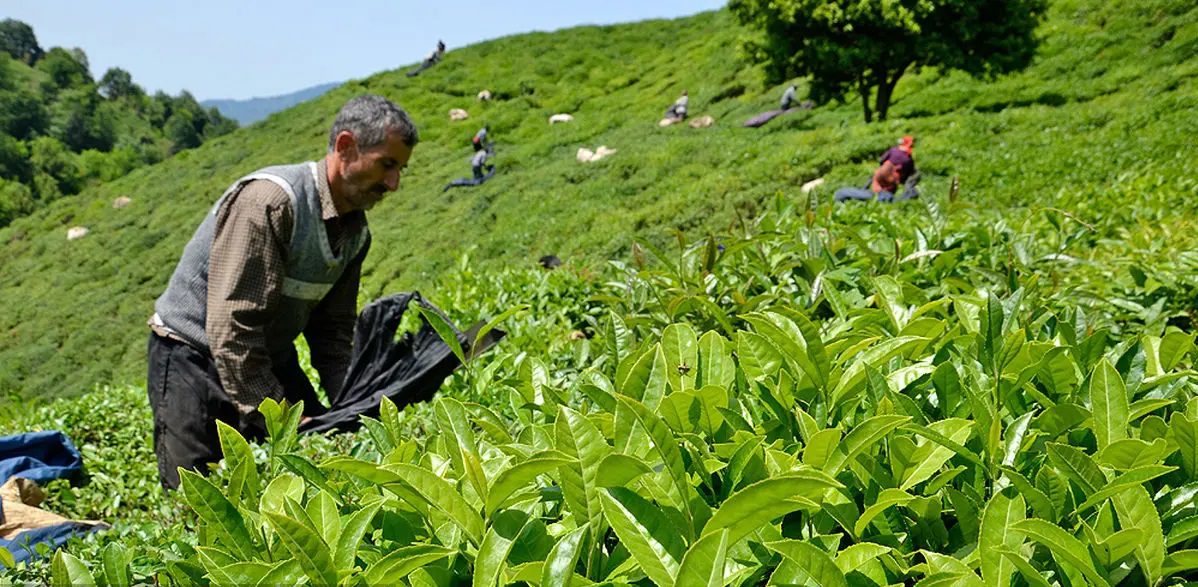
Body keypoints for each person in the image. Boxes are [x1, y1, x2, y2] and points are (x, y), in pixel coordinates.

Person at [146, 94, 418, 489]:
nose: (394, 184)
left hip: (266, 354)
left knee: (313, 474)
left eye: (401, 170)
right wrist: (280, 414)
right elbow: (231, 327)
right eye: (387, 165)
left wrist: (354, 405)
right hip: (194, 357)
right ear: (345, 147)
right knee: (199, 500)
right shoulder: (272, 203)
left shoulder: (355, 234)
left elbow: (334, 332)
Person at [834, 135, 919, 203]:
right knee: (885, 196)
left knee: (842, 193)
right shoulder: (908, 159)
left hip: (881, 174)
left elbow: (882, 160)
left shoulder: (893, 150)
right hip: (891, 179)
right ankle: (884, 198)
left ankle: (867, 192)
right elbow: (908, 174)